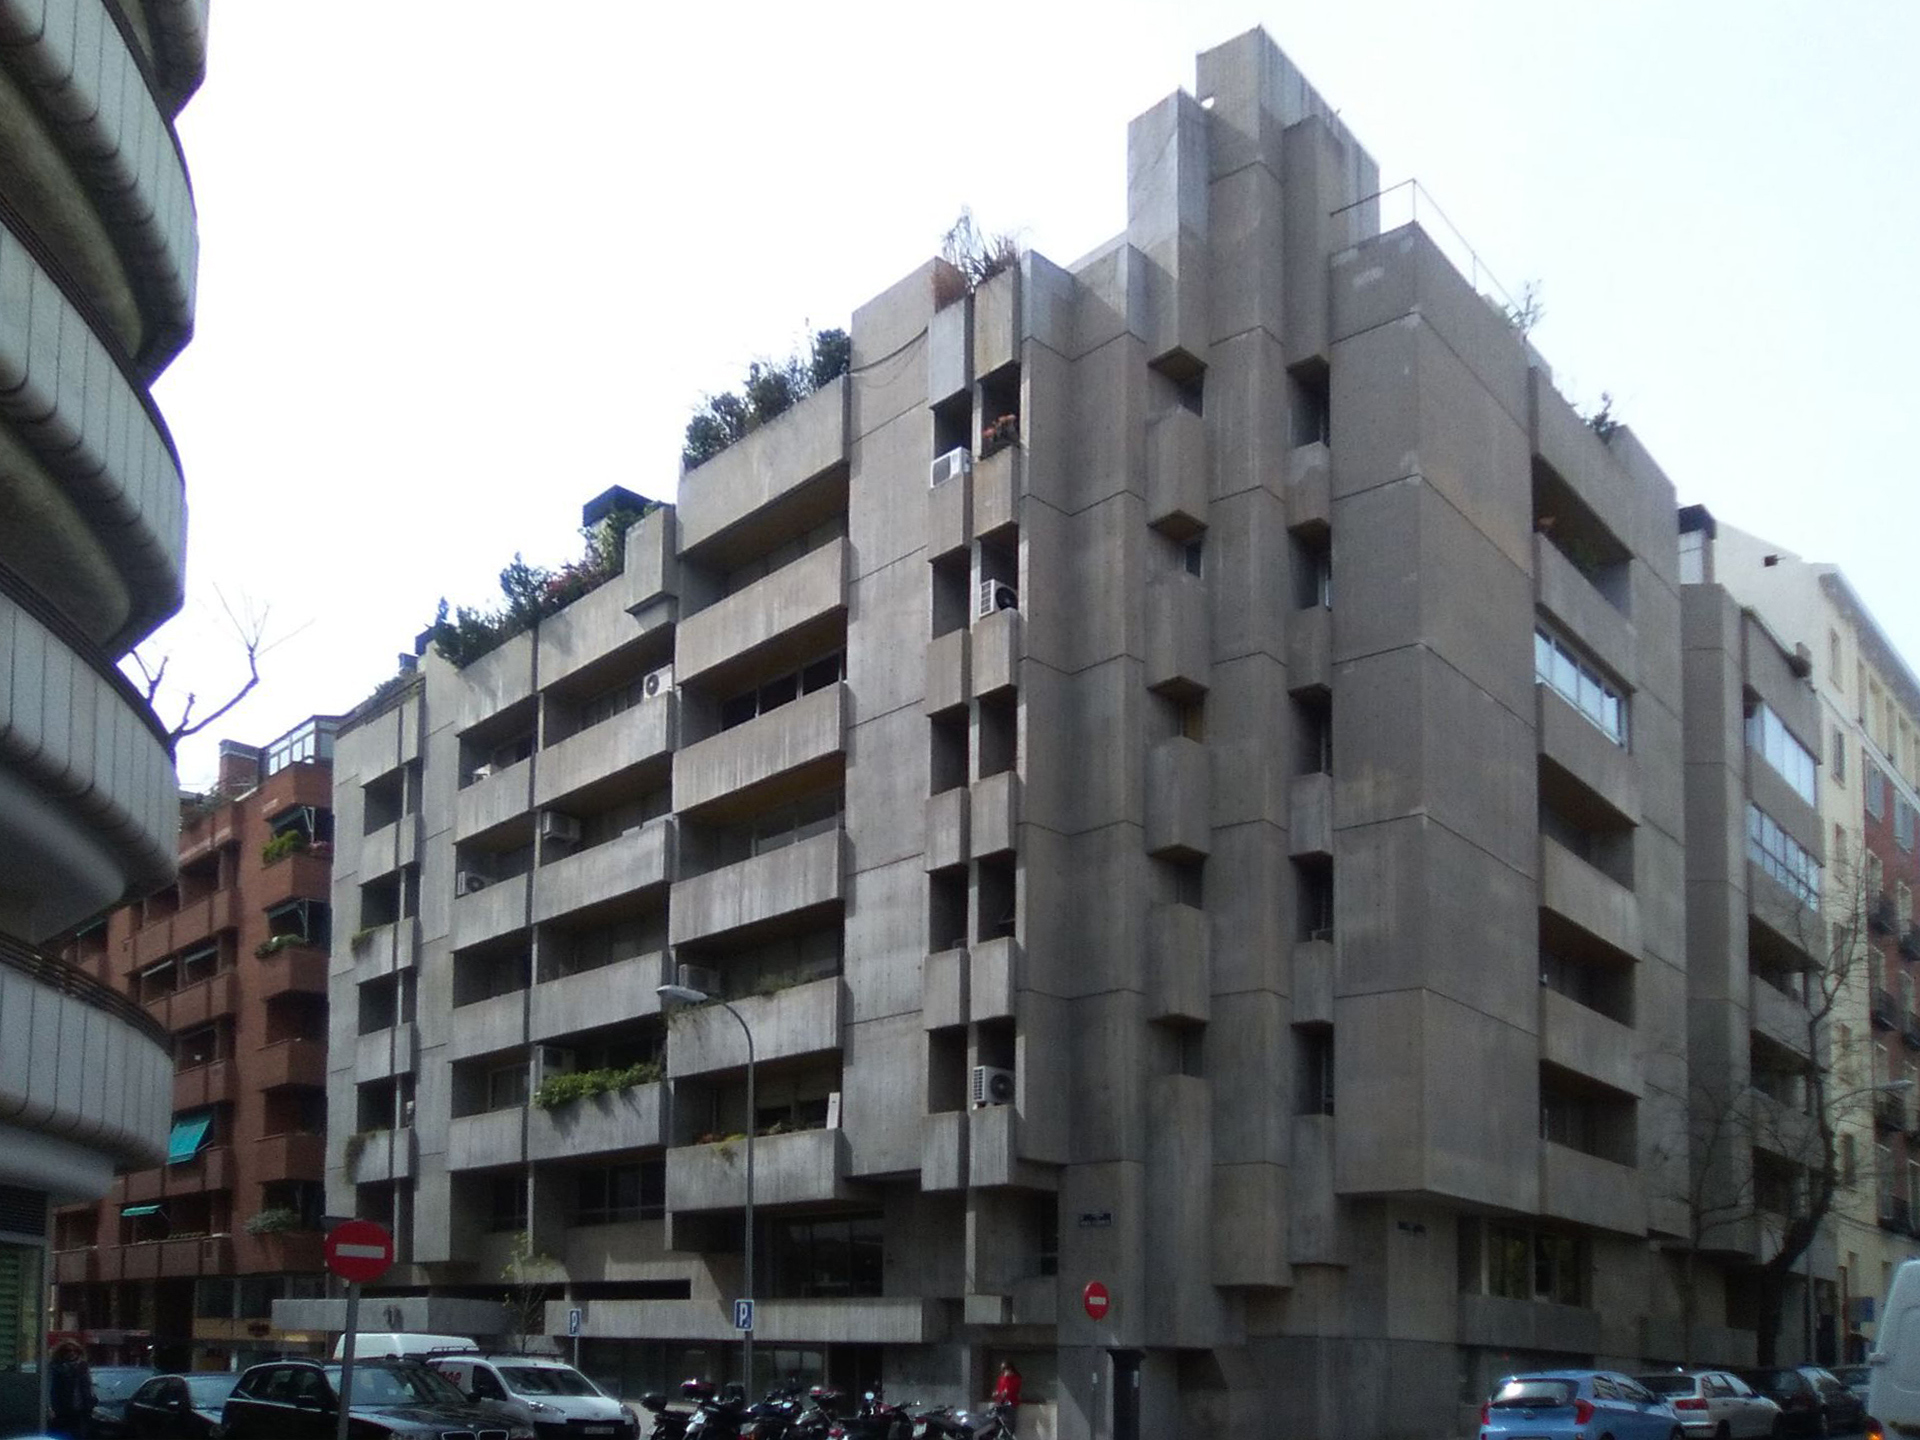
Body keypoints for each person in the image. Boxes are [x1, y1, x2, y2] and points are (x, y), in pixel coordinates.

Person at [47, 1341, 95, 1440]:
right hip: (61, 1409)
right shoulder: (56, 1367)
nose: (72, 1353)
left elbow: (88, 1386)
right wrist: (51, 1408)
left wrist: (90, 1401)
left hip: (81, 1409)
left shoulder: (83, 1366)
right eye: (68, 1351)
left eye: (75, 1351)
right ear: (61, 1353)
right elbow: (50, 1388)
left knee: (80, 1435)